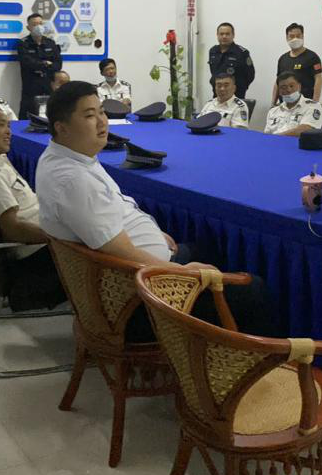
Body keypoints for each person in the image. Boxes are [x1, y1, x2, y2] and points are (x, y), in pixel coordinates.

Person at [36, 81, 276, 341]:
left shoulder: (66, 158)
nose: (102, 121)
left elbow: (111, 216)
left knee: (209, 249)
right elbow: (119, 251)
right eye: (89, 116)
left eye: (102, 112)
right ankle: (253, 362)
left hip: (137, 276)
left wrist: (155, 234)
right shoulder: (73, 180)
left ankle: (221, 343)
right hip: (140, 297)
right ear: (62, 128)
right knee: (254, 289)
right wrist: (183, 273)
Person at [0, 107, 68, 310]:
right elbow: (12, 229)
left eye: (8, 126)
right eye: (1, 125)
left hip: (44, 231)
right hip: (39, 254)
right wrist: (61, 238)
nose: (9, 132)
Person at [16, 12, 62, 119]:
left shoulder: (50, 43)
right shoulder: (23, 44)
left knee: (51, 117)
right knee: (25, 120)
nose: (38, 27)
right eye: (35, 24)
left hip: (49, 87)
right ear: (28, 27)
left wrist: (41, 65)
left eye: (40, 24)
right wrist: (46, 64)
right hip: (31, 89)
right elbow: (28, 63)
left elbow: (58, 65)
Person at [273, 23, 322, 103]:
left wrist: (315, 102)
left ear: (303, 36)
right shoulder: (282, 59)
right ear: (287, 38)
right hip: (284, 103)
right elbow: (277, 82)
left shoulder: (312, 57)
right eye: (292, 36)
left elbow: (318, 79)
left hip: (304, 104)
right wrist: (273, 103)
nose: (295, 39)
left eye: (298, 36)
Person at [264, 72, 322, 136]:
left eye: (291, 86)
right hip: (273, 141)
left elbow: (305, 130)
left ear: (299, 86)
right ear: (279, 91)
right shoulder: (273, 111)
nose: (288, 90)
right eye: (283, 87)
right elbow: (266, 135)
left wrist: (276, 138)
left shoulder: (313, 106)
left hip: (297, 142)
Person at [207, 22, 255, 100]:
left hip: (236, 96)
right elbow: (213, 72)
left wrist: (240, 88)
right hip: (217, 95)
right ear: (217, 35)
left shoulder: (242, 53)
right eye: (221, 34)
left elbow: (250, 75)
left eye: (227, 34)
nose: (224, 36)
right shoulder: (213, 51)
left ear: (233, 35)